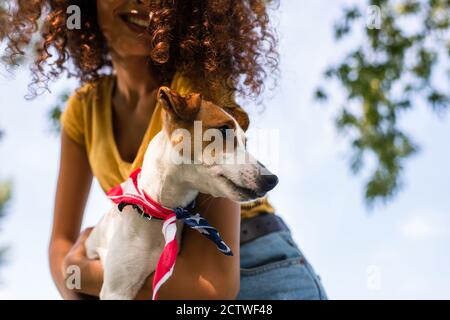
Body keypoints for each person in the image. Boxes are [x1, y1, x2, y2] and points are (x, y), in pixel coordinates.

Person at [5, 0, 327, 299]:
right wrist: (79, 280)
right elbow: (61, 242)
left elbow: (212, 287)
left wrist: (89, 278)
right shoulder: (82, 110)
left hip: (258, 269)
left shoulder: (196, 94)